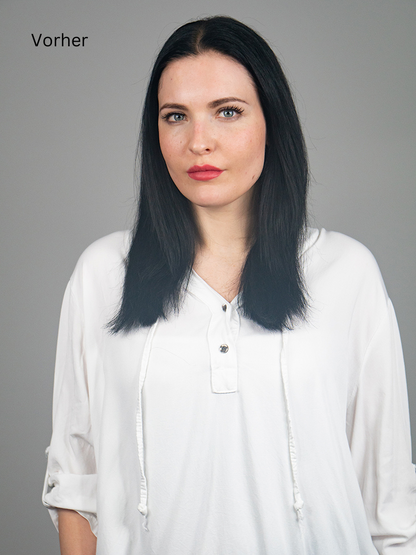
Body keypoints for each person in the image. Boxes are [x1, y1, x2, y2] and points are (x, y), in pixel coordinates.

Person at [42, 15, 416, 555]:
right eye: (176, 116)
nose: (199, 142)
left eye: (228, 112)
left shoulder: (347, 271)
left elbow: (391, 501)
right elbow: (75, 476)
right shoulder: (103, 273)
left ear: (272, 123)